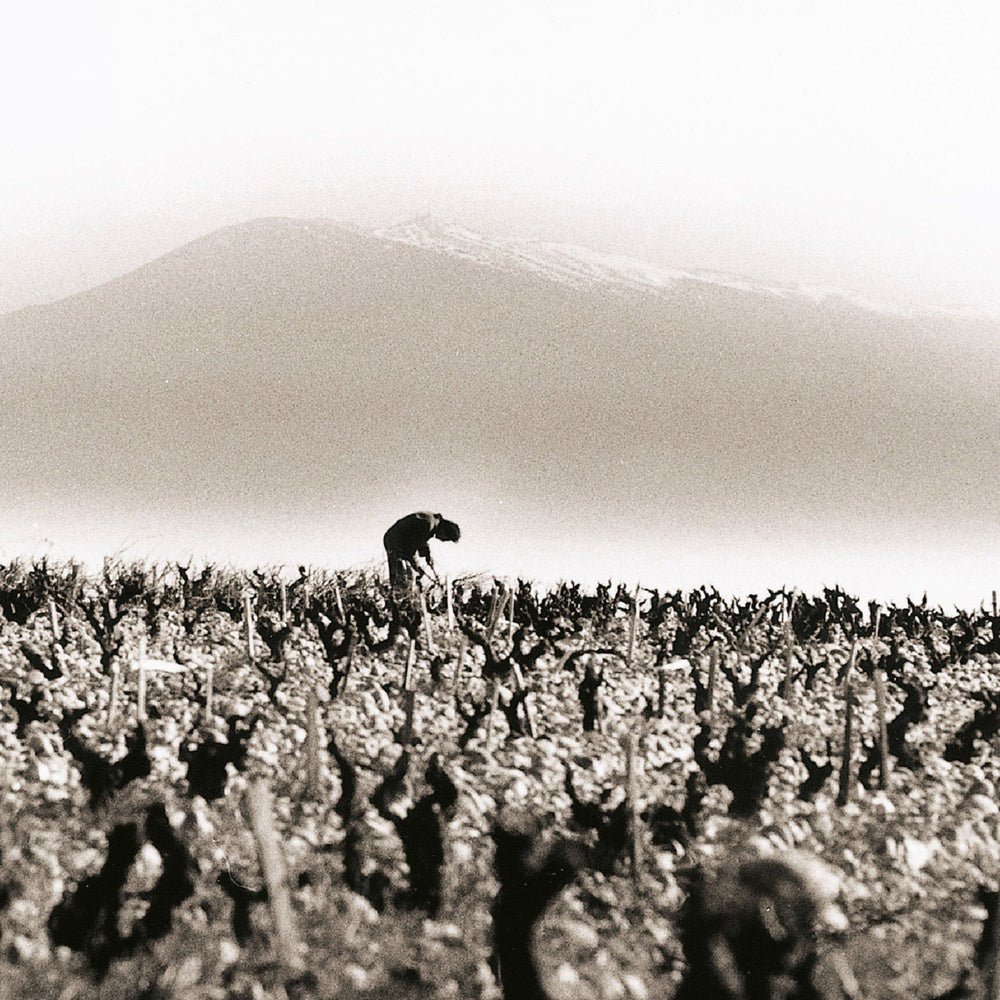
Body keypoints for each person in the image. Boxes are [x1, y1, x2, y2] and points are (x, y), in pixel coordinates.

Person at [383, 512, 461, 592]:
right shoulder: (427, 524)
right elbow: (411, 546)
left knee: (409, 572)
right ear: (444, 530)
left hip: (400, 541)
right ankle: (398, 595)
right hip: (395, 540)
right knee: (401, 574)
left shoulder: (432, 523)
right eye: (446, 539)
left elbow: (421, 542)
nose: (443, 541)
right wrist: (416, 566)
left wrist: (427, 556)